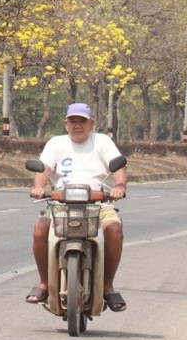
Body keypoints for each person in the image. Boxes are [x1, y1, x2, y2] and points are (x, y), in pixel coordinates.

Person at [26, 101, 128, 312]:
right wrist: (38, 187)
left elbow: (117, 165)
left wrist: (119, 186)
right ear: (66, 124)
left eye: (82, 121)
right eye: (73, 121)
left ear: (92, 123)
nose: (77, 125)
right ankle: (44, 283)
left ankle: (108, 287)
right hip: (60, 204)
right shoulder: (56, 143)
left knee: (114, 230)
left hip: (98, 204)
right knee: (40, 228)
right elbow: (43, 168)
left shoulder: (102, 142)